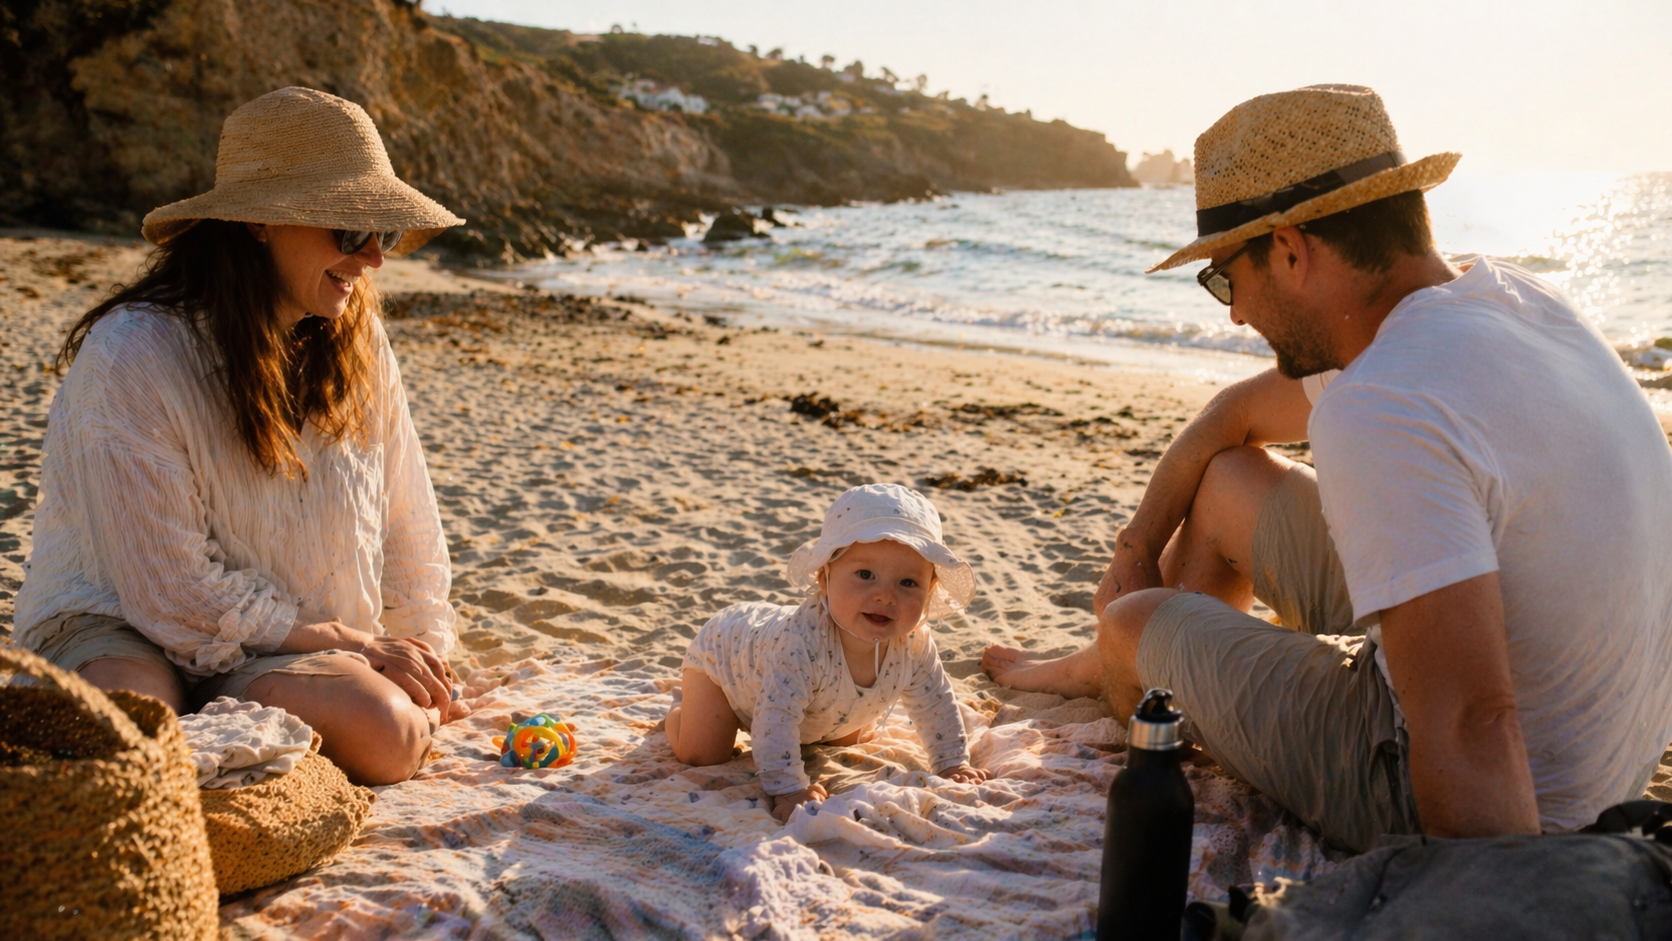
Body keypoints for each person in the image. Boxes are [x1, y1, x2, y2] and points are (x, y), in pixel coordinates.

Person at [984, 84, 1672, 852]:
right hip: (1600, 748)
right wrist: (1136, 544)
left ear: (1289, 249)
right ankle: (1136, 657)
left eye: (1223, 279)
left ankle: (1123, 656)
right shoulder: (1515, 302)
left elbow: (1473, 724)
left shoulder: (1381, 403)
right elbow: (1229, 421)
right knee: (1229, 482)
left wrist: (1499, 898)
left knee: (1129, 620)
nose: (1235, 313)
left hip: (1486, 794)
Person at [12, 87, 468, 785]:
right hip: (121, 619)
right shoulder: (133, 353)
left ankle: (229, 710)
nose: (374, 257)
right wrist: (348, 642)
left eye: (386, 231)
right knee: (135, 732)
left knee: (391, 731)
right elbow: (169, 590)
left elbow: (407, 516)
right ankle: (213, 719)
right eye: (350, 231)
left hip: (279, 639)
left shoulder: (358, 341)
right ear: (258, 221)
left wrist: (423, 651)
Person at [668, 484, 991, 823]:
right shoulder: (804, 643)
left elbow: (935, 702)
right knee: (702, 753)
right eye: (865, 575)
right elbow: (775, 715)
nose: (885, 595)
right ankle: (684, 708)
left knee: (845, 735)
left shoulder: (914, 642)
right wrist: (789, 788)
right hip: (725, 660)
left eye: (908, 583)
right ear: (825, 579)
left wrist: (952, 761)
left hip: (808, 702)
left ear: (930, 590)